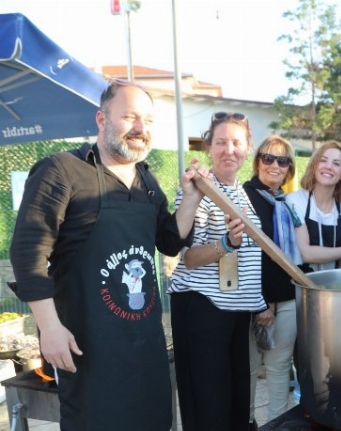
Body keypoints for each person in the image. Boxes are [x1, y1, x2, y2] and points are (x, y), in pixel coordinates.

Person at [8, 81, 207, 431]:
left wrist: (190, 198)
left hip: (144, 340)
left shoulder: (147, 181)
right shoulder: (61, 170)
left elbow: (169, 242)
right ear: (101, 119)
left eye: (147, 119)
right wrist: (50, 328)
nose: (140, 128)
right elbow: (28, 252)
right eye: (129, 116)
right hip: (88, 343)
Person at [169, 112, 266, 431]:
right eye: (221, 142)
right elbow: (189, 258)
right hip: (203, 310)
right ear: (209, 147)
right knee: (209, 408)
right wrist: (226, 242)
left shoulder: (240, 192)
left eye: (237, 142)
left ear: (247, 148)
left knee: (235, 403)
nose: (229, 150)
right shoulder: (198, 190)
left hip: (236, 311)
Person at [243, 135, 301, 426]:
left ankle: (278, 424)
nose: (275, 165)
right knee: (250, 369)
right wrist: (260, 304)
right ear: (257, 162)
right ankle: (249, 422)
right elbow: (243, 258)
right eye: (268, 158)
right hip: (255, 302)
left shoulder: (286, 203)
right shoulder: (244, 197)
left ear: (289, 168)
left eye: (283, 161)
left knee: (280, 369)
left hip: (288, 297)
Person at [286, 140, 341, 271]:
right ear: (314, 166)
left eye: (336, 163)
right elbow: (305, 254)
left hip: (335, 287)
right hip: (302, 286)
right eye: (323, 160)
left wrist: (337, 288)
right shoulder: (295, 200)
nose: (329, 166)